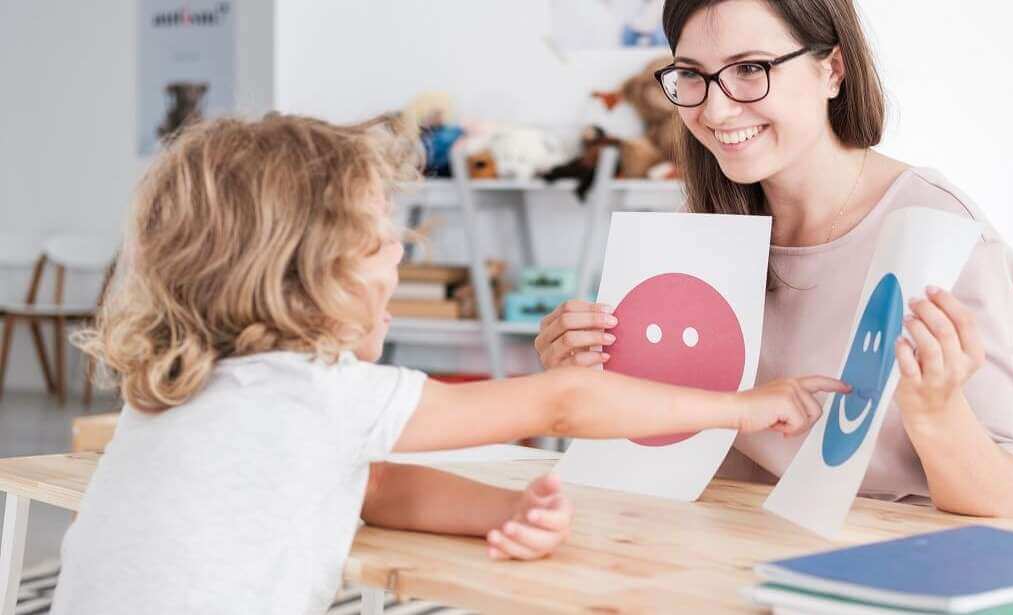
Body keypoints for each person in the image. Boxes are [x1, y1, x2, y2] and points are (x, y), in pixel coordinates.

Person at [51, 112, 846, 614]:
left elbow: (374, 484)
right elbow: (566, 402)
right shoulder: (316, 392)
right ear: (302, 274)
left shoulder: (182, 391)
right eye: (375, 241)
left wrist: (495, 513)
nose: (400, 252)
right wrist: (743, 407)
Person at [535, 0, 1013, 522]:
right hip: (715, 539)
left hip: (872, 555)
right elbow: (653, 439)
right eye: (692, 75)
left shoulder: (941, 234)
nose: (715, 111)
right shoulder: (704, 222)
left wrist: (937, 411)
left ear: (833, 69)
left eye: (750, 69)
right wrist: (586, 371)